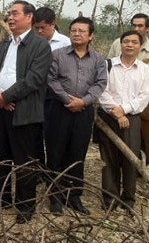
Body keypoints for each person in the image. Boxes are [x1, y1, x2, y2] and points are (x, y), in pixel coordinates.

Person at [0, 0, 53, 224]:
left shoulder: (40, 45)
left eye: (15, 14)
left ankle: (25, 205)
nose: (10, 18)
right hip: (0, 110)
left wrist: (7, 96)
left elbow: (34, 79)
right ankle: (1, 198)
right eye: (8, 14)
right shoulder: (3, 44)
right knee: (0, 157)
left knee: (25, 160)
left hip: (24, 113)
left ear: (29, 17)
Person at [45, 17, 107, 216]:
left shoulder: (98, 59)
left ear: (90, 36)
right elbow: (51, 80)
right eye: (73, 30)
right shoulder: (57, 55)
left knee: (77, 153)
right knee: (55, 152)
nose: (76, 34)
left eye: (81, 31)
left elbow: (100, 83)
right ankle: (55, 195)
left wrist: (84, 101)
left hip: (84, 112)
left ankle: (74, 196)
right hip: (58, 110)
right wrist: (67, 100)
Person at [97, 30, 149, 214]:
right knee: (108, 158)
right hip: (108, 117)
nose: (129, 45)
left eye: (134, 42)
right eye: (126, 41)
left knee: (130, 159)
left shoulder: (145, 69)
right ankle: (110, 198)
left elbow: (144, 96)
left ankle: (129, 199)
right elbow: (101, 91)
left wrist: (125, 110)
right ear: (121, 44)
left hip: (132, 119)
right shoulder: (107, 65)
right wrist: (117, 113)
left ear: (140, 46)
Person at [33, 6, 71, 176]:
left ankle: (56, 169)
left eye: (43, 27)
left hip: (57, 95)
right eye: (37, 28)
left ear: (53, 24)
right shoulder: (32, 42)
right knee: (35, 132)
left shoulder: (65, 43)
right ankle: (40, 169)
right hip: (35, 93)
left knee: (54, 133)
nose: (40, 31)